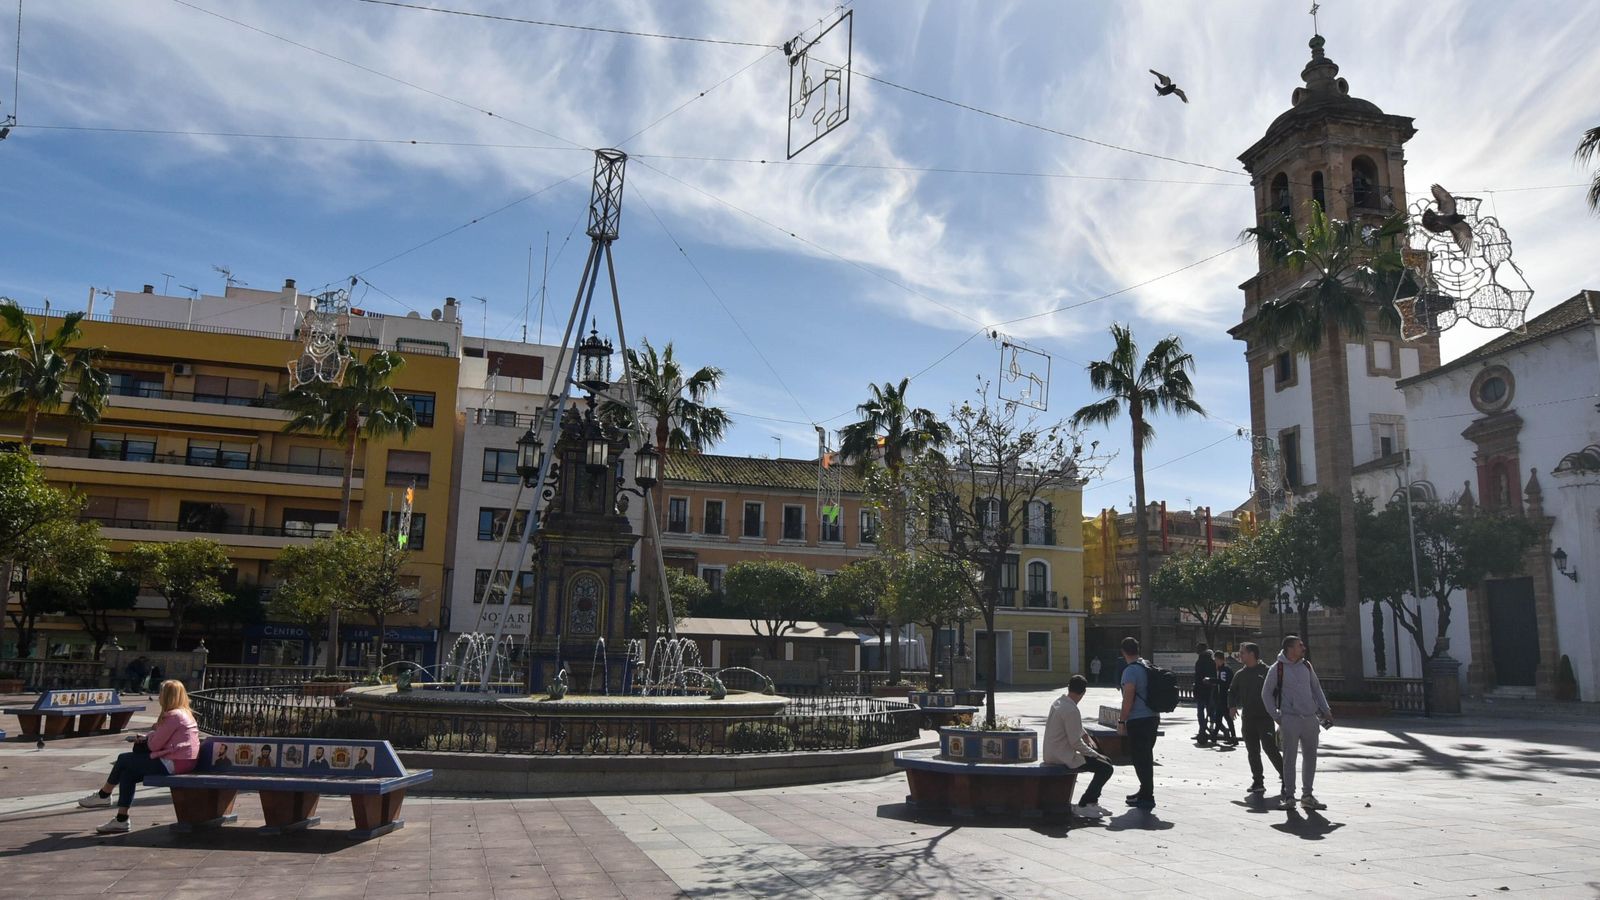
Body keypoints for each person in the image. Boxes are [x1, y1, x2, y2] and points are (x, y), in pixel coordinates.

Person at [77, 680, 199, 833]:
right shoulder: (185, 713)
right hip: (184, 761)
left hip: (174, 762)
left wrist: (148, 739)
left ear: (167, 696)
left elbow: (154, 746)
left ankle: (104, 794)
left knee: (123, 759)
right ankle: (121, 819)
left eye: (161, 693)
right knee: (128, 774)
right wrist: (149, 736)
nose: (159, 697)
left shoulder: (174, 715)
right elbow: (164, 739)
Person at [1262, 635, 1333, 810]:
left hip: (1310, 719)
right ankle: (1289, 796)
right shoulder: (1277, 668)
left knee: (1311, 757)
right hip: (1289, 719)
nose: (1303, 648)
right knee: (1289, 759)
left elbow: (1316, 689)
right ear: (1290, 649)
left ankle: (1307, 795)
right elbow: (1266, 694)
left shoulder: (1306, 666)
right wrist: (1277, 716)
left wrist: (1326, 710)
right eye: (1299, 645)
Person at [1043, 675, 1114, 817]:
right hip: (1062, 756)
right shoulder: (1071, 709)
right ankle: (1085, 804)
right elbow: (1075, 743)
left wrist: (1085, 735)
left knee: (1106, 762)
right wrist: (1095, 754)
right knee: (1106, 767)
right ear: (1084, 692)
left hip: (1052, 752)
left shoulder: (1059, 702)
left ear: (1069, 687)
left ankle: (1091, 802)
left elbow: (1073, 726)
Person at [1228, 642, 1283, 795]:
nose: (1240, 655)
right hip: (1248, 719)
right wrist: (1232, 706)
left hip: (1265, 718)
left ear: (1252, 654)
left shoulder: (1267, 671)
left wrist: (1279, 712)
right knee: (1252, 751)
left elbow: (1279, 691)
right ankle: (1258, 781)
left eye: (1242, 652)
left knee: (1270, 748)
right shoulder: (1240, 674)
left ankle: (1286, 777)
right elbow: (1232, 692)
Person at [1117, 636, 1160, 810]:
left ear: (1123, 652)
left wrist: (1121, 721)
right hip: (1153, 717)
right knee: (1145, 757)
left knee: (1140, 759)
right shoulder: (1146, 665)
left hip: (1138, 719)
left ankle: (1147, 796)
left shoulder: (1130, 671)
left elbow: (1128, 699)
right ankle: (1144, 791)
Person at [1209, 651, 1237, 744]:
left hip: (1223, 698)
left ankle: (1216, 736)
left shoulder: (1223, 670)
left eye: (1215, 659)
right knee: (1222, 718)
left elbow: (1222, 682)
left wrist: (1211, 680)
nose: (1214, 661)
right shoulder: (1224, 669)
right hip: (1224, 698)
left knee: (1221, 718)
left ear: (1219, 659)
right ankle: (1231, 736)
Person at [1192, 643, 1213, 744]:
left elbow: (1198, 677)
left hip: (1201, 690)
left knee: (1200, 711)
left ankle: (1202, 729)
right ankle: (1211, 727)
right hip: (1209, 690)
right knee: (1210, 710)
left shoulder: (1200, 661)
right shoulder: (1211, 661)